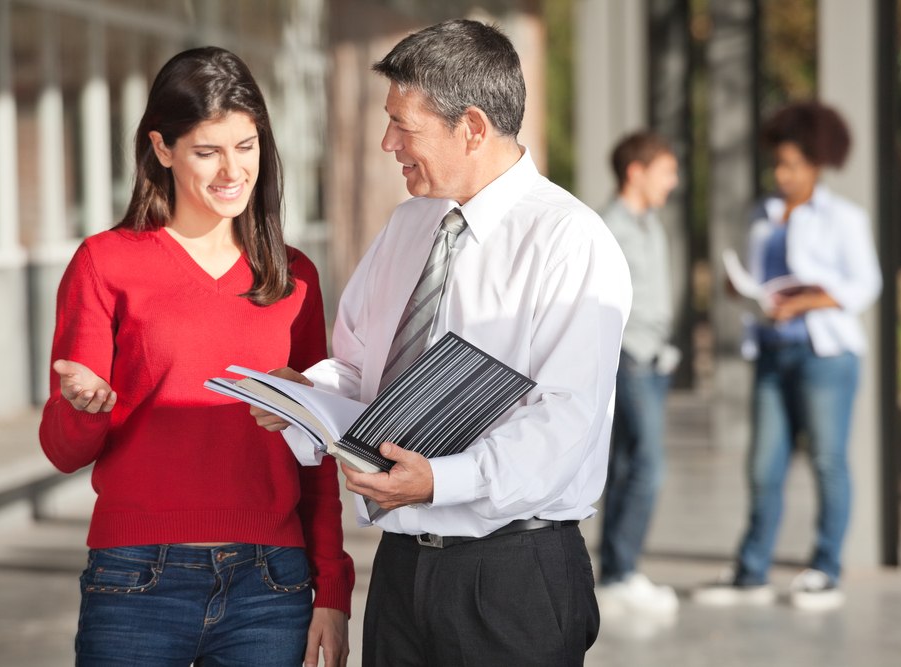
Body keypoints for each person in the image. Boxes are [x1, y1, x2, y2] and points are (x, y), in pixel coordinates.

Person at [252, 19, 631, 667]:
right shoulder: (407, 225)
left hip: (510, 574)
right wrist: (306, 395)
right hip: (401, 569)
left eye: (405, 125)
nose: (386, 142)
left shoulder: (570, 240)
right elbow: (357, 366)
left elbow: (564, 422)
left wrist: (439, 481)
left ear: (473, 127)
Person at [38, 47, 353, 666]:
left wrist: (333, 592)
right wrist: (86, 408)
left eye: (246, 146)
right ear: (162, 148)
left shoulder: (296, 278)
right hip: (135, 581)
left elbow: (319, 459)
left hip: (272, 586)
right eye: (207, 151)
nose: (232, 170)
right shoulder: (106, 263)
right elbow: (61, 448)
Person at [691, 101, 881, 611]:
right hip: (773, 353)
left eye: (792, 165)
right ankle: (751, 573)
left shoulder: (845, 218)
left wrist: (809, 300)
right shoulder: (762, 214)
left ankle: (826, 571)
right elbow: (757, 278)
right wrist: (744, 294)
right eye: (777, 163)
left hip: (825, 357)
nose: (781, 173)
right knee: (763, 467)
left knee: (827, 461)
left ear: (818, 164)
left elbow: (867, 284)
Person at [595, 131, 681, 618]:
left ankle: (615, 572)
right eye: (666, 171)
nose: (673, 182)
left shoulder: (650, 225)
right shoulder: (611, 228)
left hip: (654, 357)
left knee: (628, 466)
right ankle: (622, 571)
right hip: (631, 356)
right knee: (649, 466)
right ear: (636, 171)